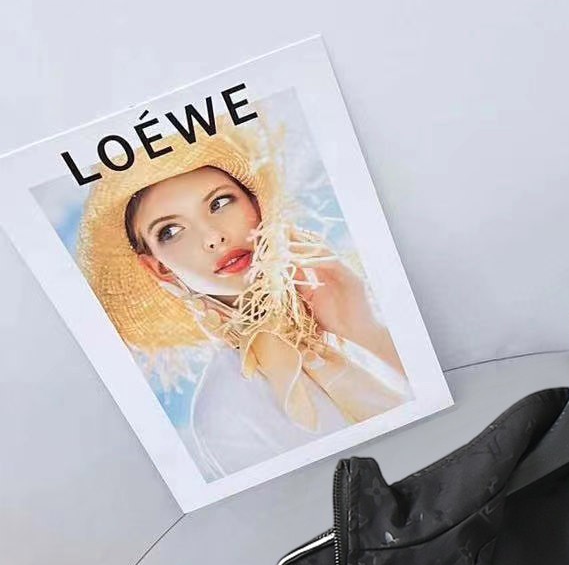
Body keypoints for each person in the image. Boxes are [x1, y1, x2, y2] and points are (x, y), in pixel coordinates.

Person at [78, 128, 410, 478]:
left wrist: (366, 330)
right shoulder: (222, 412)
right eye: (171, 231)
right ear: (159, 268)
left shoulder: (371, 290)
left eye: (220, 203)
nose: (213, 237)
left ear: (255, 202)